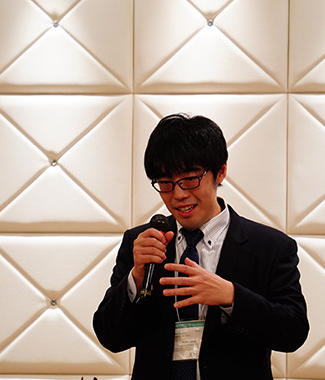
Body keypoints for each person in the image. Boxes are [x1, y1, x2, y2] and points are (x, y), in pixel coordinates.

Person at [93, 113, 308, 379]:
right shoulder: (142, 242)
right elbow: (111, 337)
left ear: (221, 172)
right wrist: (136, 277)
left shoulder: (270, 246)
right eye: (165, 183)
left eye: (190, 179)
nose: (179, 194)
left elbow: (293, 332)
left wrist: (231, 296)